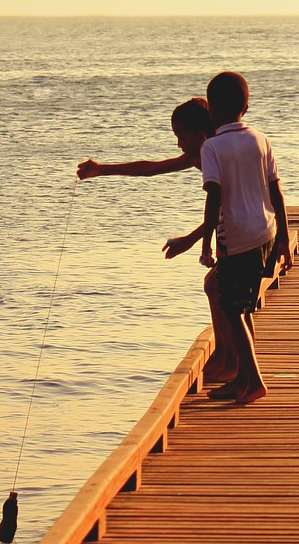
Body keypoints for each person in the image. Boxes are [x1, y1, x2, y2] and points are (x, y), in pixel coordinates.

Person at [76, 98, 238, 382]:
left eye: (180, 137)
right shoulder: (198, 154)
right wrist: (102, 169)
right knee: (216, 286)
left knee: (220, 288)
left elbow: (222, 204)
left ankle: (232, 360)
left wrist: (192, 241)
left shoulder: (218, 155)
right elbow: (150, 168)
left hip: (245, 226)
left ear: (200, 135)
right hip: (233, 225)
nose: (178, 144)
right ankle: (226, 354)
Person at [164, 71, 291, 406]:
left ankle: (254, 380)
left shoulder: (213, 147)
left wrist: (203, 244)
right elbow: (276, 190)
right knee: (239, 305)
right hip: (266, 232)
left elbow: (214, 197)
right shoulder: (261, 139)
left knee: (233, 310)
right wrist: (284, 239)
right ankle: (240, 377)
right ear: (245, 107)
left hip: (239, 238)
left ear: (213, 112)